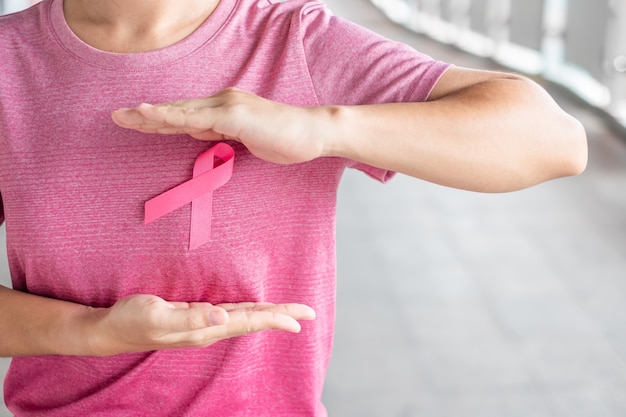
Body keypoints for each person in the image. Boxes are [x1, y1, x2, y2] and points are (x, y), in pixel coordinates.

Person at [0, 0, 587, 415]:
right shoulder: (9, 60)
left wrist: (321, 127)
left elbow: (555, 141)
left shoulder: (295, 42)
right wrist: (95, 332)